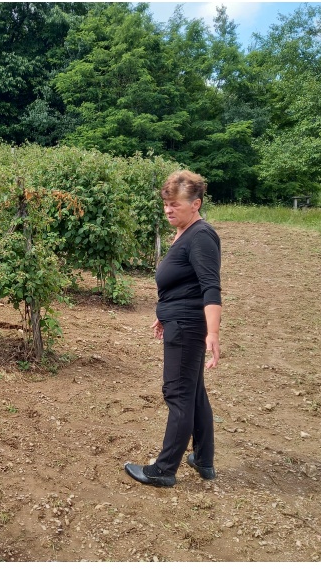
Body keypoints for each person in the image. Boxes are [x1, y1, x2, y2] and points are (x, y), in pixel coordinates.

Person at [125, 170, 222, 487]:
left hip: (189, 327)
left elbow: (210, 288)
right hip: (180, 319)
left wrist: (213, 334)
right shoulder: (185, 232)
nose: (168, 209)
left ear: (196, 204)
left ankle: (164, 469)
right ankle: (204, 459)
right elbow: (184, 284)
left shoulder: (201, 236)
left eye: (174, 204)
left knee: (178, 394)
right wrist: (163, 312)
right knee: (194, 392)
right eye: (165, 203)